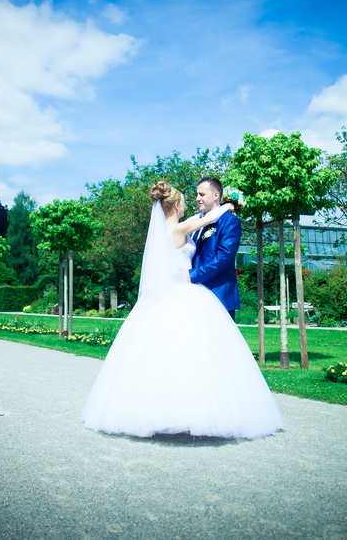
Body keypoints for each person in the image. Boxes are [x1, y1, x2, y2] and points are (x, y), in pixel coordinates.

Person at [81, 182, 284, 439]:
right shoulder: (181, 228)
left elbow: (218, 246)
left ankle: (165, 410)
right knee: (192, 355)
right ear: (176, 205)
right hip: (187, 293)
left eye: (200, 194)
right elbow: (209, 217)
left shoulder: (171, 229)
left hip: (187, 291)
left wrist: (229, 207)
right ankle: (197, 412)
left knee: (168, 355)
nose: (194, 200)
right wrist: (231, 205)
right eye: (189, 198)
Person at [189, 177, 241, 319]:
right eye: (197, 195)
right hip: (194, 294)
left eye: (202, 194)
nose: (197, 199)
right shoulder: (198, 222)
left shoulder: (229, 221)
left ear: (216, 195)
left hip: (219, 294)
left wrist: (192, 275)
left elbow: (224, 257)